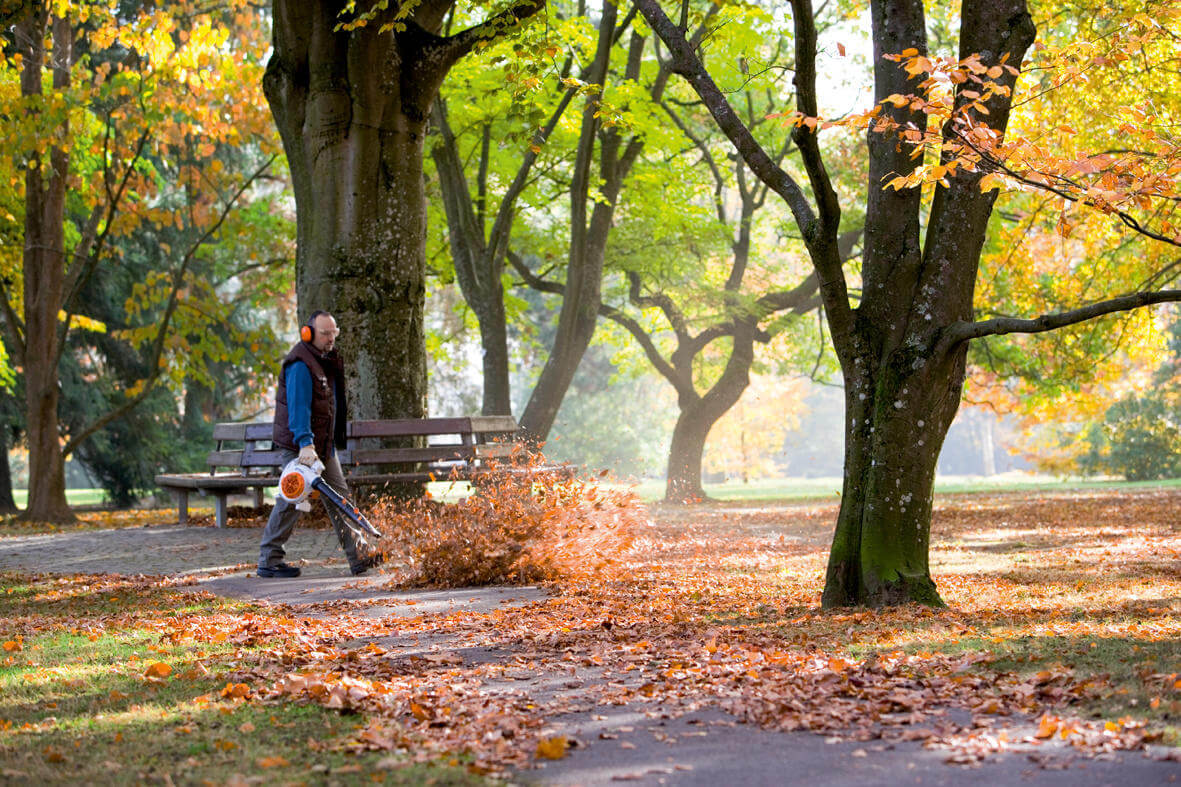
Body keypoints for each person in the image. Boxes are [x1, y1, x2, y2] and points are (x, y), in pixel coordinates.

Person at [257, 310, 383, 578]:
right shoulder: (301, 364)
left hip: (323, 446)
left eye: (333, 332)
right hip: (300, 446)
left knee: (340, 498)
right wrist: (305, 444)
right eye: (325, 333)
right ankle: (269, 559)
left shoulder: (324, 361)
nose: (330, 338)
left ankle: (358, 555)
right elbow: (298, 408)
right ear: (309, 333)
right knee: (293, 497)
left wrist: (324, 444)